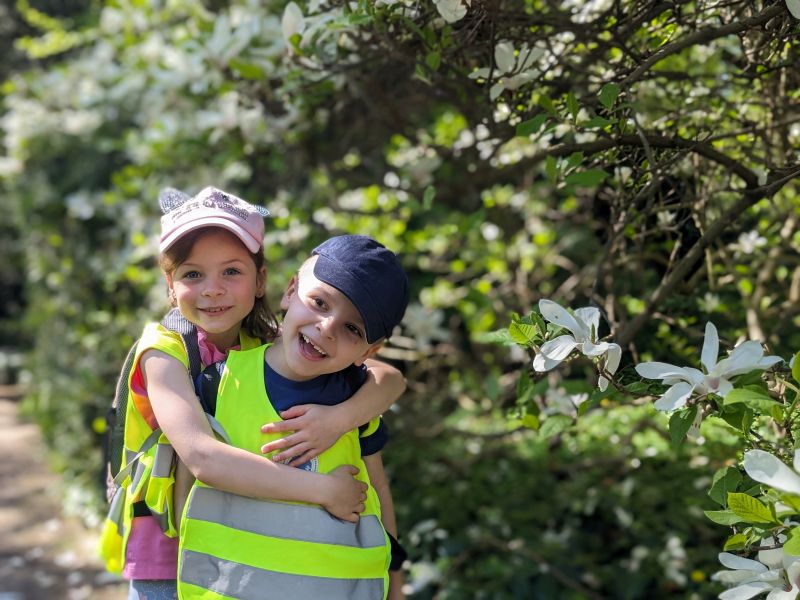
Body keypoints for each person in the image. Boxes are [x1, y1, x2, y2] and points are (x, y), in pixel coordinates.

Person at [101, 187, 406, 600]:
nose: (212, 289)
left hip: (236, 545)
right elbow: (204, 457)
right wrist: (324, 491)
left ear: (261, 280)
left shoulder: (268, 342)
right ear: (170, 286)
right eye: (193, 274)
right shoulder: (163, 353)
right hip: (166, 549)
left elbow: (388, 377)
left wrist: (338, 419)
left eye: (231, 271)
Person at [177, 235, 409, 600]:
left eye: (353, 328)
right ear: (290, 292)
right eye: (319, 302)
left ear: (370, 350)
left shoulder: (357, 400)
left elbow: (378, 494)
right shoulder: (217, 382)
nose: (328, 326)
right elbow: (187, 488)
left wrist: (394, 582)